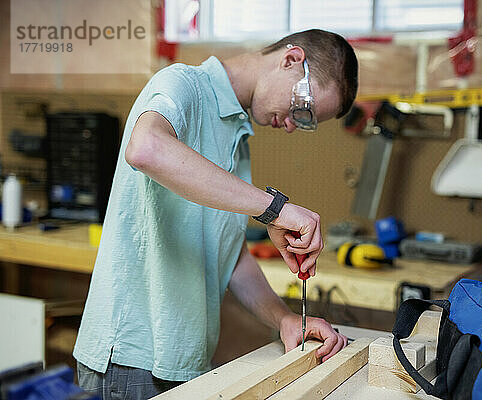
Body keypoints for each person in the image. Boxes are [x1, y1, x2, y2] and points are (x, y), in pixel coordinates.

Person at [73, 29, 359, 399]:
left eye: (305, 122)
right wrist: (273, 208)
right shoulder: (184, 86)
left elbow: (228, 255)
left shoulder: (237, 135)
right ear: (291, 60)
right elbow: (146, 148)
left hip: (186, 361)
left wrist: (284, 319)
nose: (292, 124)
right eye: (302, 108)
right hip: (131, 361)